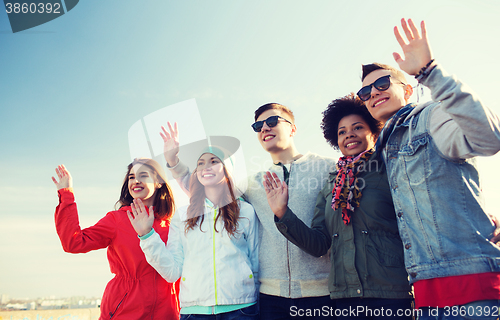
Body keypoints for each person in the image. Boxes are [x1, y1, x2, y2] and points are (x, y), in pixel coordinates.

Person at [358, 18, 500, 318]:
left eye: (382, 84)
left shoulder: (431, 117)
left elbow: (489, 139)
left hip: (471, 287)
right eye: (365, 92)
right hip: (424, 292)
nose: (373, 93)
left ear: (408, 90)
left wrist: (431, 72)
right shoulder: (383, 151)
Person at [164, 103, 336, 319]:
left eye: (272, 121)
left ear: (292, 128)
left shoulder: (329, 168)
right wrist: (173, 161)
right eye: (258, 125)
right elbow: (206, 186)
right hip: (270, 298)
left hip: (320, 294)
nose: (264, 128)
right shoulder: (253, 184)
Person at [263, 94, 413, 319]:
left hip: (390, 295)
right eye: (341, 132)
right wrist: (283, 213)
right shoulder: (332, 184)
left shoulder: (390, 171)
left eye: (357, 127)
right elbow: (319, 245)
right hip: (344, 300)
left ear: (373, 130)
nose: (349, 134)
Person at [129, 146, 259, 320]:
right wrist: (147, 235)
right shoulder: (183, 215)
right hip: (194, 312)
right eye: (200, 163)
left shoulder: (246, 211)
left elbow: (257, 261)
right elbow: (173, 271)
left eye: (214, 161)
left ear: (227, 170)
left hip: (242, 309)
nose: (206, 167)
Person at [52, 159, 180, 320]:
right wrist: (66, 195)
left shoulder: (173, 225)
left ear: (159, 182)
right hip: (124, 311)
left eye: (143, 175)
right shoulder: (117, 220)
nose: (136, 181)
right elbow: (74, 242)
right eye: (131, 177)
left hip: (167, 314)